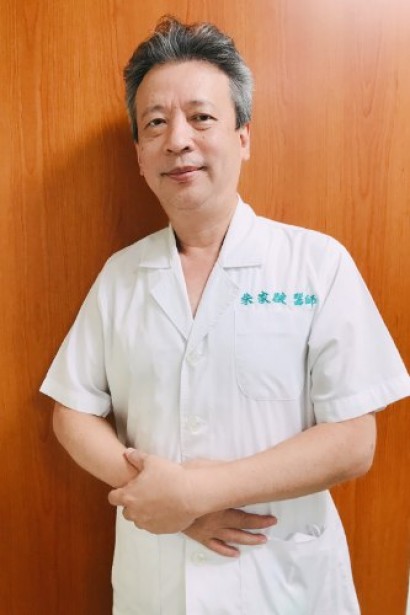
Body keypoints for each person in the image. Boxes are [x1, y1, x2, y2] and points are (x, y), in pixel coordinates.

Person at [40, 16, 410, 615]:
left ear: (243, 137)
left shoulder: (316, 264)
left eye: (201, 117)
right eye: (155, 123)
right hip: (157, 581)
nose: (177, 140)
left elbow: (353, 442)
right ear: (140, 157)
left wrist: (199, 491)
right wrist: (172, 506)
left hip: (283, 584)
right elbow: (71, 412)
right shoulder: (121, 275)